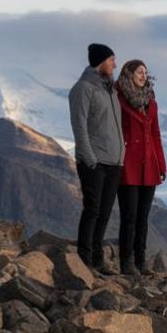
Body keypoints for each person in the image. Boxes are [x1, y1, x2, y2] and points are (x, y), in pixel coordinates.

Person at [69, 43, 124, 275]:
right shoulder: (84, 88)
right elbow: (79, 124)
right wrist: (89, 158)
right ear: (101, 62)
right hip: (95, 161)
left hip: (113, 161)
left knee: (104, 211)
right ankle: (84, 258)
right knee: (92, 209)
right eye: (112, 60)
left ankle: (97, 257)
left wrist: (120, 156)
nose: (115, 65)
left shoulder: (109, 89)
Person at [114, 59, 167, 276]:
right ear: (129, 74)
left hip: (149, 165)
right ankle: (126, 263)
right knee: (129, 216)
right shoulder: (118, 99)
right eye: (139, 72)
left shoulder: (151, 102)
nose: (143, 75)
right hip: (128, 164)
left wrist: (161, 164)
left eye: (145, 72)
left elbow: (155, 135)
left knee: (143, 217)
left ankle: (141, 262)